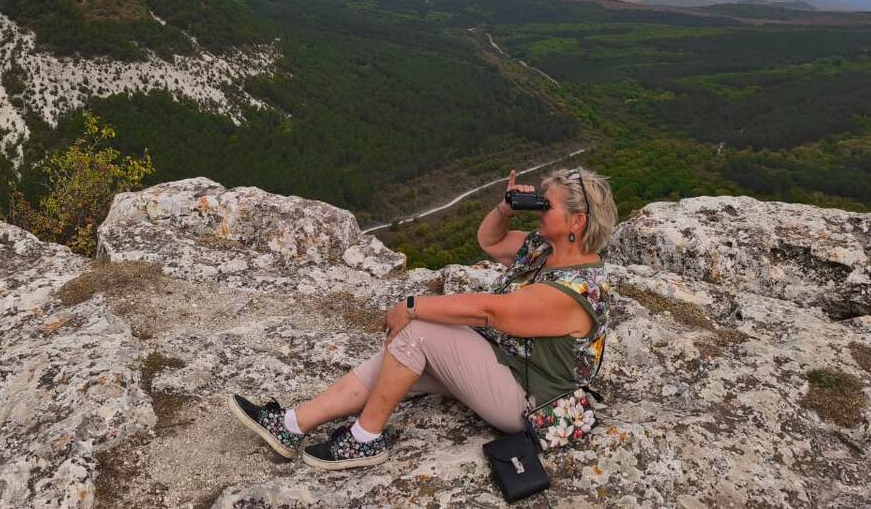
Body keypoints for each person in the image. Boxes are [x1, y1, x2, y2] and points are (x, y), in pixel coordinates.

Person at [229, 166, 617, 470]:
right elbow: (491, 241)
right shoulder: (542, 251)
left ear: (577, 222)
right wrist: (505, 208)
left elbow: (490, 311)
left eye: (547, 206)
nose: (539, 210)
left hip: (528, 399)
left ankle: (365, 438)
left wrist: (413, 305)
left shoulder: (576, 289)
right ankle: (292, 424)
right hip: (503, 364)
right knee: (399, 360)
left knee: (419, 331)